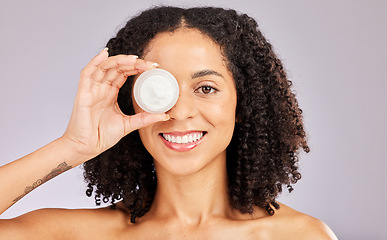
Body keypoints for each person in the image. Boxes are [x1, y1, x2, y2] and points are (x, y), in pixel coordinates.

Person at [0, 6, 337, 239]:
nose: (179, 112)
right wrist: (73, 146)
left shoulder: (299, 236)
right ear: (130, 100)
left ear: (241, 104)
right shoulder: (85, 235)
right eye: (159, 90)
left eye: (206, 88)